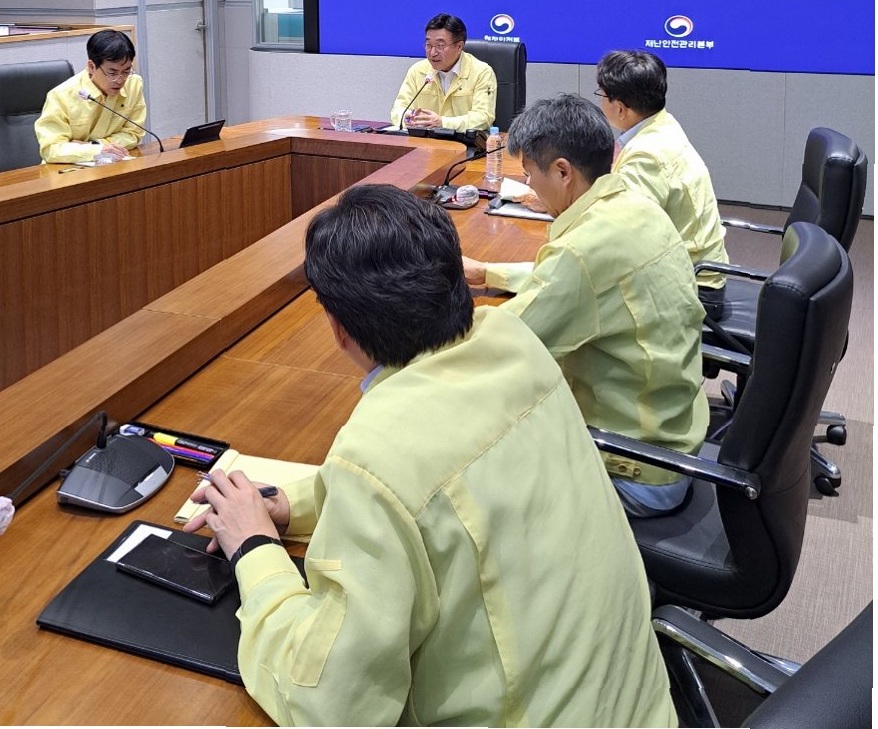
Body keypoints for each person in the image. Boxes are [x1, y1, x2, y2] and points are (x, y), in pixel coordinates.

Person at [184, 183, 677, 728]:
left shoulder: (377, 451)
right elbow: (433, 491)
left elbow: (330, 706)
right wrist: (291, 505)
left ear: (338, 328)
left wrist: (254, 547)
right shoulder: (514, 341)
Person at [463, 94, 708, 519]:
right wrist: (489, 273)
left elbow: (497, 347)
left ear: (563, 172)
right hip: (675, 436)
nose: (528, 187)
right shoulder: (635, 207)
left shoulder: (582, 252)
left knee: (468, 478)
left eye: (529, 175)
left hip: (636, 468)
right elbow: (578, 281)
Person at [596, 49, 729, 321]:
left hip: (693, 289)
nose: (599, 101)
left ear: (619, 108)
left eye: (602, 94)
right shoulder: (662, 123)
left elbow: (624, 235)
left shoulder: (647, 155)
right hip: (695, 270)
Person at [34, 29, 147, 164]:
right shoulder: (61, 95)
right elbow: (51, 149)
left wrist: (95, 145)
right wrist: (97, 150)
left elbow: (133, 133)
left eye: (126, 71)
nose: (120, 80)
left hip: (112, 164)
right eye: (112, 73)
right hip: (66, 169)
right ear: (92, 67)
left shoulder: (133, 85)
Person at [389, 13, 496, 131]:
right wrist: (409, 119)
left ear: (459, 46)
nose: (432, 53)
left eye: (440, 46)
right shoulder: (417, 71)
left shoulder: (481, 72)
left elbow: (483, 118)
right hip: (424, 140)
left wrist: (442, 123)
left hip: (462, 141)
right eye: (428, 45)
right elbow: (398, 110)